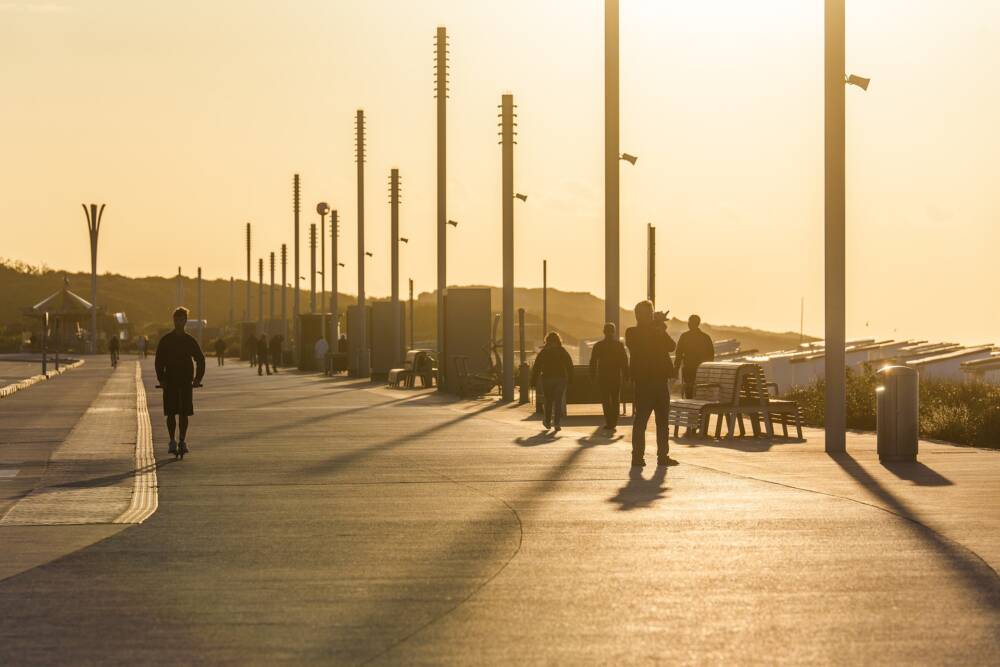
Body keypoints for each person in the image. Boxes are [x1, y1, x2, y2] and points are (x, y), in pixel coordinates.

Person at [625, 300, 677, 468]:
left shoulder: (656, 330)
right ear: (638, 315)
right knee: (641, 421)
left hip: (660, 381)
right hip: (644, 383)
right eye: (646, 314)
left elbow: (672, 346)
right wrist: (656, 325)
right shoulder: (632, 332)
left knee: (663, 422)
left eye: (650, 313)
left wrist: (660, 329)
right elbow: (641, 344)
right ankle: (637, 457)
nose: (649, 316)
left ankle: (663, 456)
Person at [154, 307, 205, 457]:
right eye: (176, 320)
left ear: (185, 321)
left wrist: (198, 379)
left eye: (181, 320)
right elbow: (159, 361)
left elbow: (200, 359)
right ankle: (172, 441)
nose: (178, 322)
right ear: (173, 321)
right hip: (170, 381)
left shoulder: (190, 341)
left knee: (184, 413)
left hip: (186, 381)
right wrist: (161, 379)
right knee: (170, 413)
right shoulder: (166, 340)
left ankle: (182, 440)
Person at [589, 322, 629, 430]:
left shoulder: (598, 345)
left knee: (605, 400)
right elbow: (624, 361)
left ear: (604, 332)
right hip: (615, 376)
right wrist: (626, 376)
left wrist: (592, 376)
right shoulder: (619, 345)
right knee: (615, 399)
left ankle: (609, 421)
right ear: (614, 332)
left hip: (603, 377)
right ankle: (614, 422)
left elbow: (593, 361)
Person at [530, 332, 574, 432]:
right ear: (558, 340)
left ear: (547, 340)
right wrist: (571, 378)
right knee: (558, 401)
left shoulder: (544, 351)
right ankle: (557, 423)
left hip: (547, 378)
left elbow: (537, 367)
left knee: (548, 400)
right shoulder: (562, 350)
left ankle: (547, 421)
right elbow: (569, 364)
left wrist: (533, 381)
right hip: (560, 378)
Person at [675, 314, 714, 400]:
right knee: (701, 391)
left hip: (689, 369)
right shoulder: (705, 337)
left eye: (690, 322)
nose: (689, 324)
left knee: (689, 392)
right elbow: (711, 356)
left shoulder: (685, 336)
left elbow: (679, 354)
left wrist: (676, 368)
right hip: (702, 369)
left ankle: (690, 405)